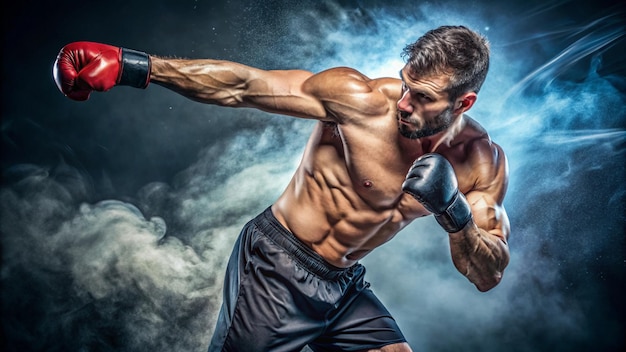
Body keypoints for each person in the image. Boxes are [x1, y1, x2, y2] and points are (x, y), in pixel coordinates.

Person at [53, 25, 510, 352]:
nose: (405, 104)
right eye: (407, 85)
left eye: (424, 97)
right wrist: (136, 67)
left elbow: (487, 273)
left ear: (463, 102)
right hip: (277, 265)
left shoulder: (481, 163)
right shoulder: (361, 101)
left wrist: (454, 213)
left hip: (343, 284)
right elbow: (244, 86)